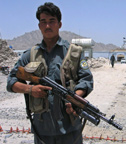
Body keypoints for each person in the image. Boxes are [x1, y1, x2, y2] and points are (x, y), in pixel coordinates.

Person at [7, 2, 93, 144]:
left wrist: (75, 98)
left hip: (70, 129)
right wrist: (30, 89)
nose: (47, 26)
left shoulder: (73, 52)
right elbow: (11, 81)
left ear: (59, 24)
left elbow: (87, 80)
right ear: (39, 26)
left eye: (52, 21)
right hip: (42, 130)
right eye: (43, 22)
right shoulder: (30, 54)